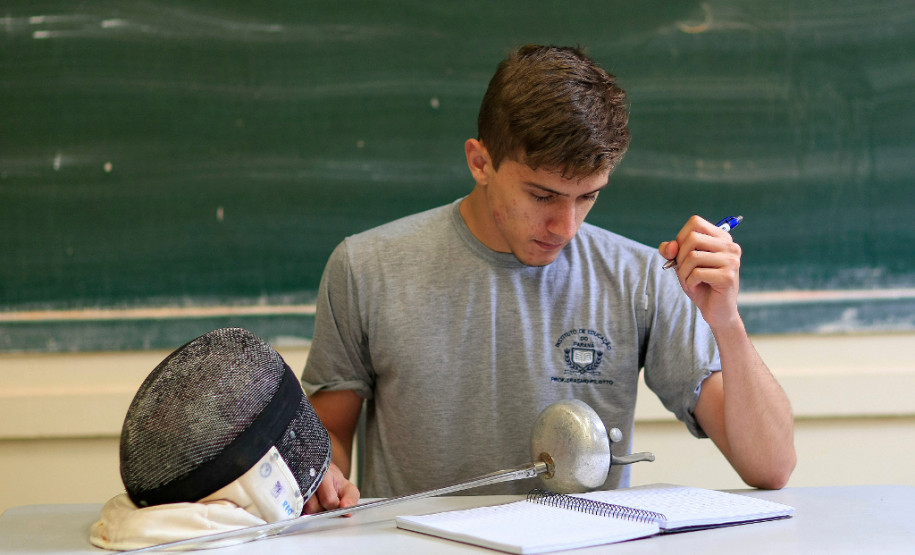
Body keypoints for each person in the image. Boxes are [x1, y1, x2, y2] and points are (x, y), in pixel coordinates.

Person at [300, 44, 796, 514]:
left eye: (588, 197)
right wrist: (325, 481)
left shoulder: (640, 277)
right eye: (542, 196)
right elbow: (331, 438)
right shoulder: (366, 267)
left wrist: (726, 321)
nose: (566, 226)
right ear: (480, 162)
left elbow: (771, 468)